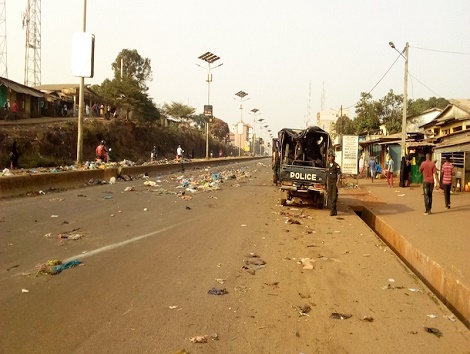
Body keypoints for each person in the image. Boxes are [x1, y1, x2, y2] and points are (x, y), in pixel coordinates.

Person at [327, 149, 341, 216]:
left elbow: (339, 174)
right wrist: (326, 183)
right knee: (329, 196)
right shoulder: (328, 165)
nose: (330, 158)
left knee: (334, 197)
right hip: (329, 182)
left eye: (332, 156)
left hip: (334, 182)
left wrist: (337, 182)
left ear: (334, 157)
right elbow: (326, 175)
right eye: (329, 156)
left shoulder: (336, 165)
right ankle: (334, 210)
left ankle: (332, 211)